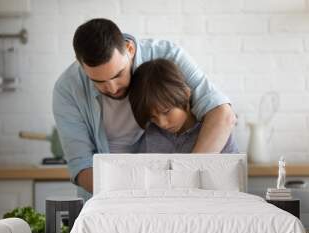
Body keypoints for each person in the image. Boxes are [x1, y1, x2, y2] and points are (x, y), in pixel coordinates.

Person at [53, 18, 237, 194]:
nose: (112, 88)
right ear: (81, 65)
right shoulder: (67, 89)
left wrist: (185, 177)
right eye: (98, 81)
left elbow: (222, 114)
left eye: (118, 75)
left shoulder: (168, 56)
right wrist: (133, 194)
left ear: (130, 49)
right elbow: (81, 165)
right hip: (108, 196)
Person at [129, 59, 238, 154]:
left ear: (185, 94)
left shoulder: (215, 132)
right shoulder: (150, 136)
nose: (162, 123)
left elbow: (234, 175)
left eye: (166, 111)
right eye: (153, 117)